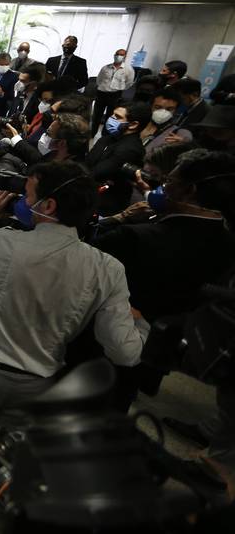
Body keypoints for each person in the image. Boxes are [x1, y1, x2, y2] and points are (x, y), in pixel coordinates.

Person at [0, 161, 149, 532]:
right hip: (38, 382)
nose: (21, 201)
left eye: (28, 195)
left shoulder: (1, 241)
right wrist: (140, 322)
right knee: (6, 464)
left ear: (48, 206)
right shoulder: (106, 268)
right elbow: (125, 352)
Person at [91, 149, 235, 410]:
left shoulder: (135, 238)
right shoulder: (227, 243)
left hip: (103, 346)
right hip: (156, 350)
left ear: (189, 190)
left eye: (169, 181)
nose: (163, 188)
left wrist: (116, 221)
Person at [86, 102, 151, 216]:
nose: (111, 119)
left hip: (105, 205)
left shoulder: (131, 149)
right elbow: (88, 162)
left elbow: (98, 172)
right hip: (90, 194)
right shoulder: (107, 139)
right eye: (112, 115)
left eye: (118, 117)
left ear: (133, 124)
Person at [8, 112, 90, 167]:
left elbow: (42, 166)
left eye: (48, 133)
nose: (44, 135)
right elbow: (39, 160)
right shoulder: (57, 155)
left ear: (62, 143)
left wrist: (18, 141)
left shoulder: (68, 173)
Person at [93, 48, 136, 136]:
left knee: (110, 116)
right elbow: (99, 80)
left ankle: (104, 135)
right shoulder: (105, 67)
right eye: (117, 54)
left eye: (121, 55)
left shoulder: (128, 69)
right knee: (96, 115)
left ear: (125, 57)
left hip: (115, 95)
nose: (118, 56)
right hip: (101, 93)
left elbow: (129, 83)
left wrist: (120, 88)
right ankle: (92, 133)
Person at [140, 87, 193, 155]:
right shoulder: (137, 124)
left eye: (170, 109)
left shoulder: (180, 133)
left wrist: (184, 145)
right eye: (158, 107)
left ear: (176, 111)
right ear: (150, 106)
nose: (163, 112)